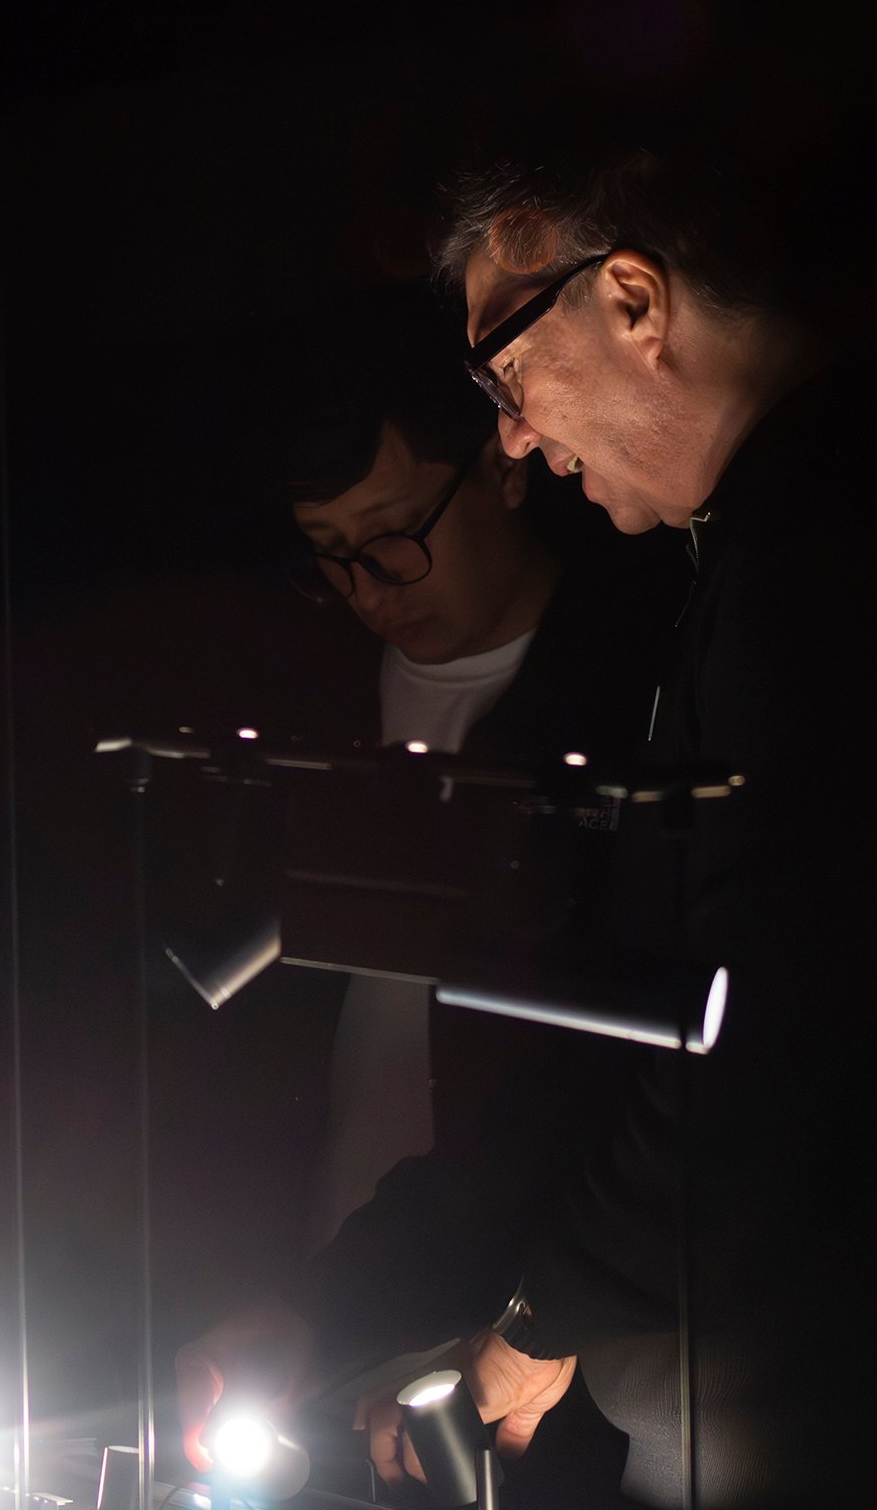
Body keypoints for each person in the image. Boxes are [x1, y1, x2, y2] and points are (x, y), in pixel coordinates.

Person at [178, 143, 877, 1506]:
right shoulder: (801, 538)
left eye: (506, 373)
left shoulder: (838, 555)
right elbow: (618, 1044)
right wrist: (367, 1307)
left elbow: (766, 1023)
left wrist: (546, 1315)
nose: (516, 434)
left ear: (632, 300)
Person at [176, 283, 685, 1498]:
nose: (372, 583)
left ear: (506, 462)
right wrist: (297, 1306)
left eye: (397, 530)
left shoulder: (632, 701)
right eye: (332, 552)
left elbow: (582, 1087)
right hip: (318, 1331)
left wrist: (529, 1302)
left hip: (522, 1349)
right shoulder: (296, 702)